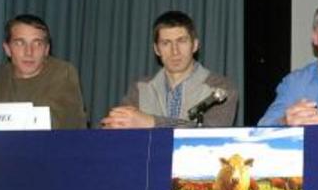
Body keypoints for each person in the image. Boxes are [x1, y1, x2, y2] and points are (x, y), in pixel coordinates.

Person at [101, 11, 237, 128]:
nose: (175, 51)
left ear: (195, 45)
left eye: (181, 41)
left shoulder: (221, 88)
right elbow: (115, 127)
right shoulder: (140, 88)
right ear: (156, 49)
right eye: (166, 43)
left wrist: (152, 122)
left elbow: (213, 134)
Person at [0, 14, 87, 129]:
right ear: (7, 49)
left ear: (46, 50)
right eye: (20, 43)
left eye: (37, 44)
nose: (29, 52)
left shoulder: (63, 72)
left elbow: (58, 124)